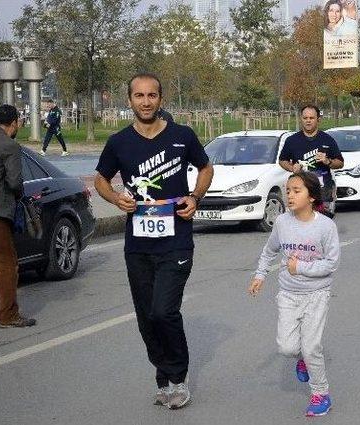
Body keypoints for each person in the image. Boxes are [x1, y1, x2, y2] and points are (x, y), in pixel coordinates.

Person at [94, 73, 214, 409]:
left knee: (164, 311)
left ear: (161, 99)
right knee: (147, 316)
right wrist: (116, 198)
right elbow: (101, 179)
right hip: (138, 246)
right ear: (129, 100)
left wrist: (195, 197)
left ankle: (178, 376)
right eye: (139, 96)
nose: (146, 102)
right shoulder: (119, 142)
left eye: (152, 96)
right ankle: (163, 379)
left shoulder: (182, 136)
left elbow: (205, 168)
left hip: (176, 240)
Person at [248, 171, 339, 417]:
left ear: (311, 197)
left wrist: (302, 268)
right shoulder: (282, 222)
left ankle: (321, 394)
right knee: (287, 347)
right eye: (288, 190)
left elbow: (331, 264)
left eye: (297, 191)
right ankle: (302, 359)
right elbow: (269, 251)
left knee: (312, 347)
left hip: (316, 294)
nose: (290, 195)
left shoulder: (325, 226)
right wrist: (260, 275)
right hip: (288, 294)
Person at [0, 105, 36, 328]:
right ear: (14, 123)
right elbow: (15, 182)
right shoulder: (9, 146)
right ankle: (8, 315)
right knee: (5, 263)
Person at [279, 105, 344, 218]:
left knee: (322, 225)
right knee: (302, 225)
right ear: (301, 119)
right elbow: (282, 160)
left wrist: (327, 161)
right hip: (300, 190)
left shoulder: (327, 139)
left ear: (318, 119)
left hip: (323, 191)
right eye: (305, 118)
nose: (308, 121)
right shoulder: (292, 140)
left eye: (311, 118)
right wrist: (292, 168)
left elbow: (340, 162)